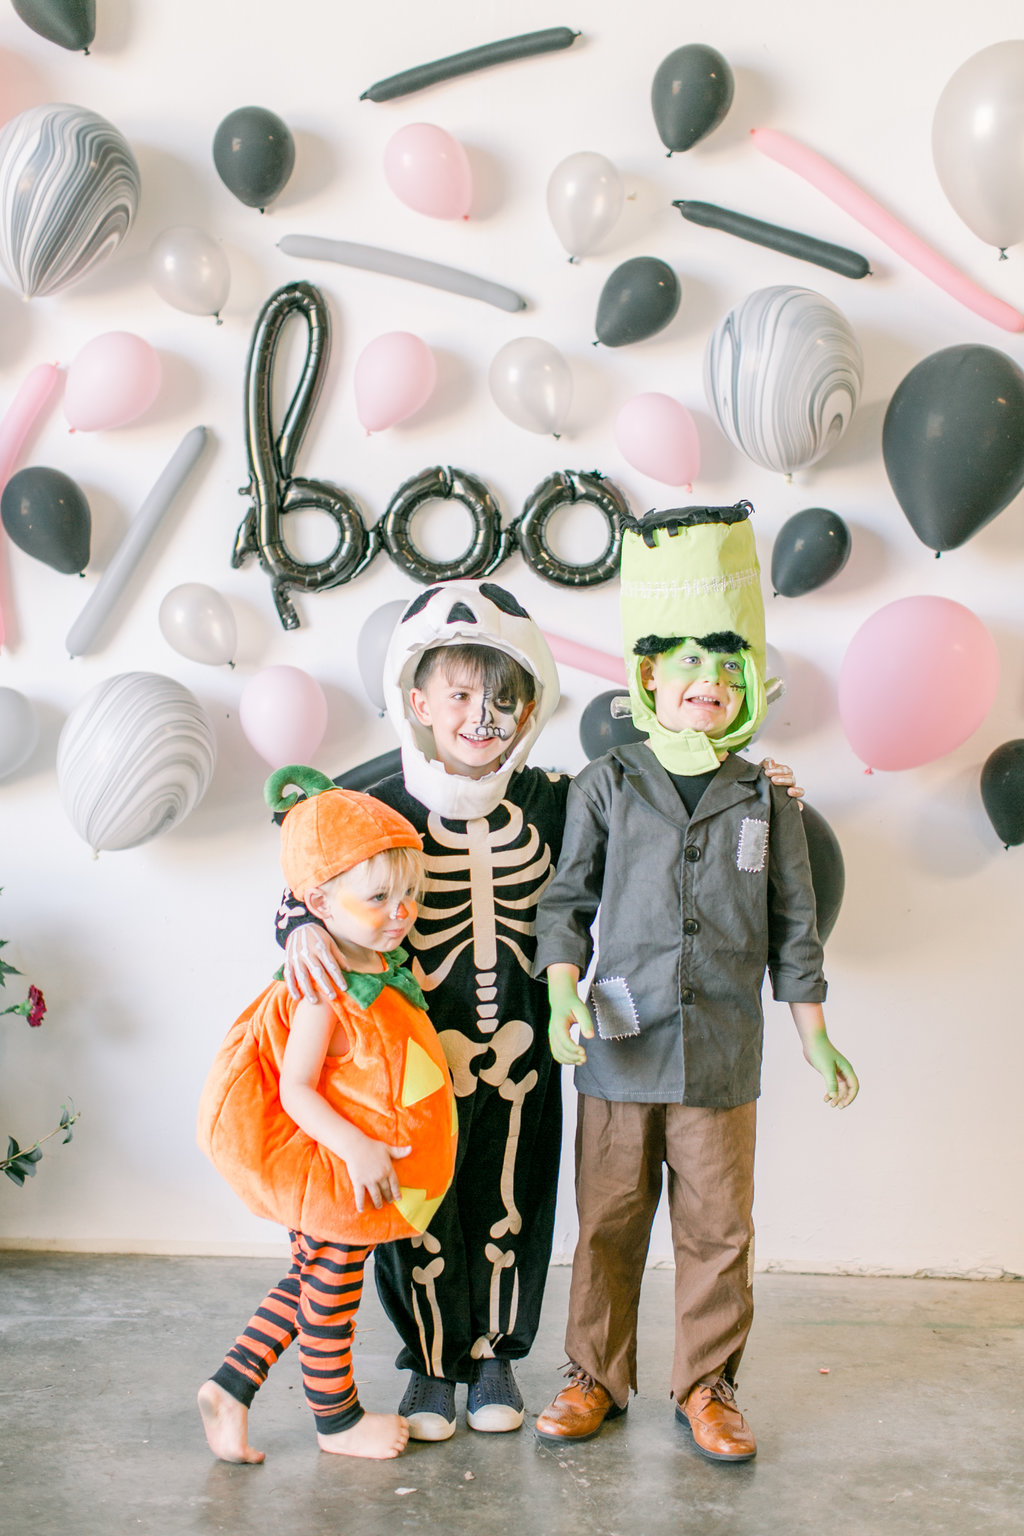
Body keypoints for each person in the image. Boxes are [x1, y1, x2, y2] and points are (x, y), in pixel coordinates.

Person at [278, 580, 805, 1443]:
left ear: (530, 707)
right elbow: (308, 857)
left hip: (527, 1044)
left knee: (514, 1197)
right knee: (421, 1208)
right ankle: (431, 1364)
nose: (482, 717)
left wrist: (758, 782)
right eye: (459, 696)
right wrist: (297, 921)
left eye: (502, 700)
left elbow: (648, 828)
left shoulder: (557, 796)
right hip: (414, 1054)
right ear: (418, 701)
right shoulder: (371, 800)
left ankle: (498, 1356)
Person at [532, 504, 858, 1464]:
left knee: (719, 1228)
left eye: (726, 663)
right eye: (688, 660)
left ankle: (707, 1386)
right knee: (607, 1221)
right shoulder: (605, 784)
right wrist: (559, 992)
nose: (708, 679)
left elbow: (795, 927)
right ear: (648, 677)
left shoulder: (766, 796)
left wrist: (815, 1035)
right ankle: (593, 1377)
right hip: (617, 1048)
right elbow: (567, 901)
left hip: (721, 1055)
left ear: (747, 683)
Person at [196, 768, 456, 1464]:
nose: (401, 912)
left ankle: (231, 1387)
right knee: (331, 1297)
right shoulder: (323, 990)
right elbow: (297, 1090)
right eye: (379, 898)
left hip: (355, 1174)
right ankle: (336, 1420)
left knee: (309, 1280)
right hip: (340, 1173)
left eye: (409, 896)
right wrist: (358, 1148)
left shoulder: (376, 960)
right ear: (317, 903)